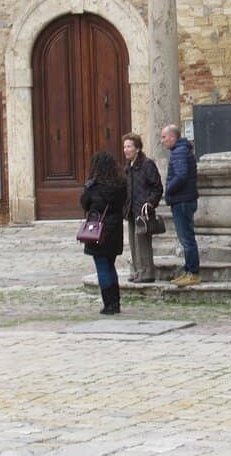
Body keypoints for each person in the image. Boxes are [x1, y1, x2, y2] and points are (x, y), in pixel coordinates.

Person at [80, 151, 128, 314]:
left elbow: (85, 204)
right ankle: (116, 303)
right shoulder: (121, 185)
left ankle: (108, 304)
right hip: (115, 229)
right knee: (110, 265)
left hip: (98, 230)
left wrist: (87, 188)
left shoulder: (94, 186)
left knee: (102, 266)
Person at [160, 124, 201, 287]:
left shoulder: (179, 152)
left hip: (182, 200)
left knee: (187, 239)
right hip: (185, 199)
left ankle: (193, 273)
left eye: (164, 137)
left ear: (172, 137)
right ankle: (189, 270)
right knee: (186, 238)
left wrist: (168, 189)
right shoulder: (182, 150)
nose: (162, 141)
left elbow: (181, 175)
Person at [122, 132, 164, 283]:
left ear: (137, 148)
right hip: (131, 210)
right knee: (133, 243)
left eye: (129, 146)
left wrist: (150, 202)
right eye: (125, 147)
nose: (126, 150)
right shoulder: (128, 167)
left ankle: (147, 272)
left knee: (143, 242)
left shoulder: (147, 164)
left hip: (143, 210)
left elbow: (157, 187)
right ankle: (137, 271)